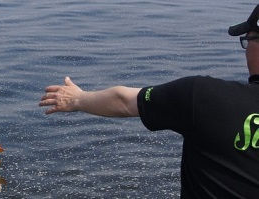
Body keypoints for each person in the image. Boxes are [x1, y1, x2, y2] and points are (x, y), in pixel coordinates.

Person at [39, 4, 259, 198]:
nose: (246, 48)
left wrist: (79, 99)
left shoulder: (204, 96)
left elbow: (123, 101)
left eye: (247, 40)